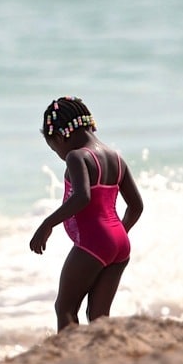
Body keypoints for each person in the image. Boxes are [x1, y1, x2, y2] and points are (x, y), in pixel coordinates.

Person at [29, 96, 143, 331]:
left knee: (65, 309)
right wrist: (117, 234)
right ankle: (103, 357)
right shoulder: (116, 158)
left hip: (92, 243)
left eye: (54, 149)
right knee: (99, 316)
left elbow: (82, 196)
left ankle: (69, 360)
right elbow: (137, 206)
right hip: (120, 244)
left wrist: (47, 224)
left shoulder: (77, 156)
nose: (59, 154)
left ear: (60, 137)